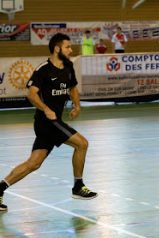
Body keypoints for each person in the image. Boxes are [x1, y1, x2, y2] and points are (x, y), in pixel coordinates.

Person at [0, 33, 97, 211]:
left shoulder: (68, 67)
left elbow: (72, 88)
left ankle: (0, 188)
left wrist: (77, 105)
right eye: (68, 47)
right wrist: (45, 108)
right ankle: (78, 186)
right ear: (57, 48)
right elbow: (31, 94)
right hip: (46, 121)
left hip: (54, 121)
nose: (71, 50)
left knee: (33, 163)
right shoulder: (43, 69)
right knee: (82, 144)